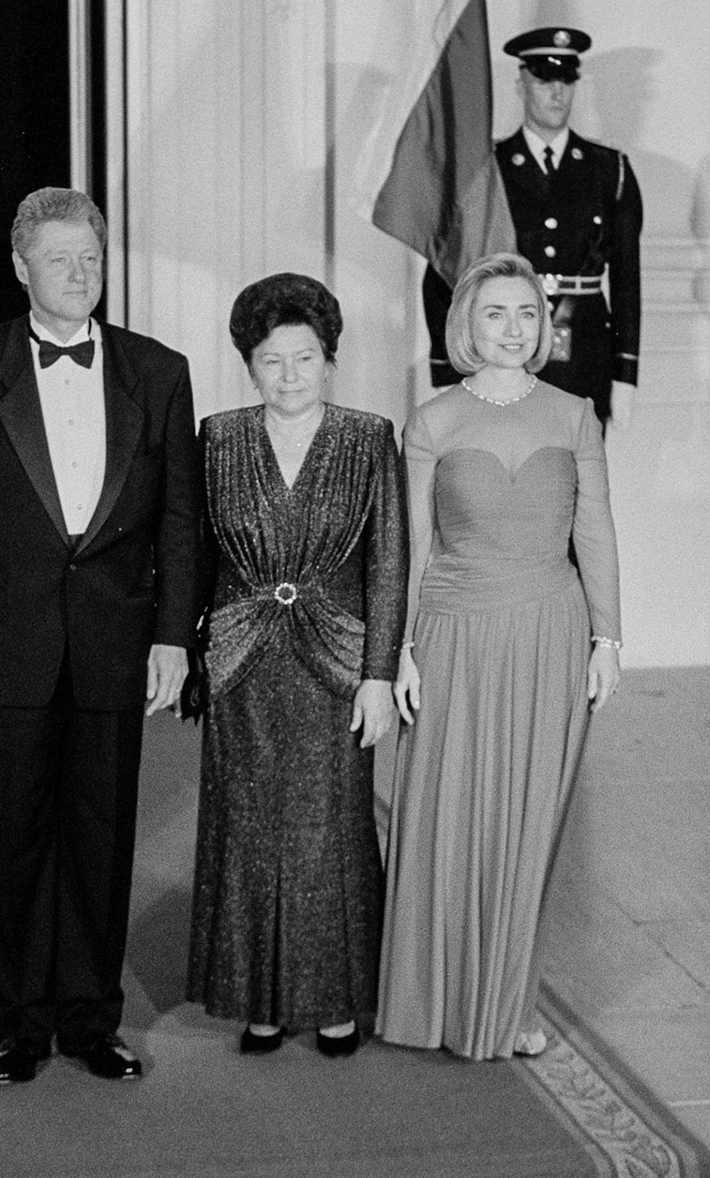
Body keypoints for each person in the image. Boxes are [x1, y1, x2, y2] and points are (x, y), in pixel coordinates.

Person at [0, 187, 199, 1086]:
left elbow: (180, 523)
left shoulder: (158, 371)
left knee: (101, 833)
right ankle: (18, 1024)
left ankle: (91, 1019)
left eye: (90, 259)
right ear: (20, 268)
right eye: (58, 260)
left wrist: (172, 638)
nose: (78, 276)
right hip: (3, 639)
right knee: (8, 836)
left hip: (117, 642)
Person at [380, 250, 621, 1060]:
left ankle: (508, 1004)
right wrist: (403, 650)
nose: (513, 329)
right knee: (447, 817)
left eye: (527, 313)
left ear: (545, 324)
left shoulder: (575, 413)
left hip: (551, 636)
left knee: (530, 826)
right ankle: (435, 1005)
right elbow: (413, 547)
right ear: (466, 326)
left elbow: (596, 533)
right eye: (495, 314)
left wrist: (607, 638)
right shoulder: (433, 420)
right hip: (452, 635)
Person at [186, 273, 406, 1059]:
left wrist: (379, 673)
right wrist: (192, 654)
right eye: (272, 360)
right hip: (243, 656)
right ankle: (261, 1004)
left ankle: (337, 1000)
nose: (289, 376)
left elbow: (388, 565)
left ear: (329, 359)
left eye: (305, 358)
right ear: (250, 363)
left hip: (335, 661)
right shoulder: (218, 438)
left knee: (329, 831)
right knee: (247, 830)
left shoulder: (369, 438)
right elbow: (197, 558)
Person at [421, 26, 642, 425]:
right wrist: (444, 365)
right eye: (543, 78)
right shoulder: (486, 168)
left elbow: (628, 281)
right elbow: (442, 270)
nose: (557, 92)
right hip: (498, 353)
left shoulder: (610, 170)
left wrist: (625, 375)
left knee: (576, 473)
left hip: (583, 351)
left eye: (567, 78)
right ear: (520, 84)